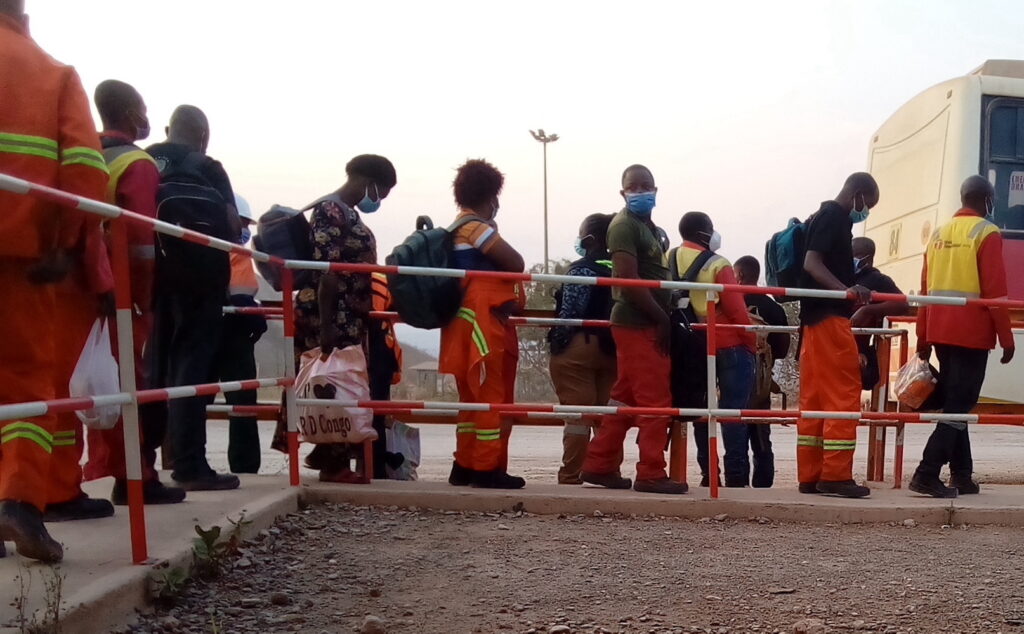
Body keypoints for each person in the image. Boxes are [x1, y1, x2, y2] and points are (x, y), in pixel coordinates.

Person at [0, 0, 109, 562]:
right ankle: (18, 503)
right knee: (26, 386)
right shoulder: (53, 74)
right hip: (25, 259)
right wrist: (66, 243)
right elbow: (87, 174)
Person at [83, 79, 186, 505]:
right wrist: (141, 297)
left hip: (81, 284)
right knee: (130, 384)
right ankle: (137, 478)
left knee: (90, 384)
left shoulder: (84, 152)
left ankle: (85, 475)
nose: (147, 118)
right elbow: (142, 239)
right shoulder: (136, 164)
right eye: (142, 109)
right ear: (128, 113)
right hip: (122, 292)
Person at [147, 105, 242, 491]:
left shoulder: (144, 159)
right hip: (200, 283)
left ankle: (140, 465)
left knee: (152, 370)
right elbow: (232, 227)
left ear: (169, 129)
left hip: (150, 278)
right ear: (204, 136)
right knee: (192, 370)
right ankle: (189, 464)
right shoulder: (209, 166)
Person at [580, 164, 686, 495]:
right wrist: (661, 317)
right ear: (623, 192)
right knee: (655, 400)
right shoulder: (624, 226)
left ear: (656, 190)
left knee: (624, 399)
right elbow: (627, 279)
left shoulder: (647, 227)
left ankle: (598, 465)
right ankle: (651, 472)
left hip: (640, 321)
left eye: (647, 186)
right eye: (634, 187)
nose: (641, 191)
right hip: (639, 323)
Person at [293, 154, 396, 482]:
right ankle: (333, 464)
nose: (379, 200)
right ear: (370, 183)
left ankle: (332, 459)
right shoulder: (330, 210)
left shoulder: (345, 212)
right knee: (335, 386)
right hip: (332, 317)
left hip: (350, 317)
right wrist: (326, 327)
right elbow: (328, 272)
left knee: (343, 386)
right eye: (383, 191)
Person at [911, 175, 1014, 498]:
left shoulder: (939, 234)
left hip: (941, 331)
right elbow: (994, 292)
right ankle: (927, 472)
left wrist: (923, 334)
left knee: (957, 402)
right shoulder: (986, 232)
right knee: (959, 403)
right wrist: (1006, 338)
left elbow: (926, 290)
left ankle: (962, 475)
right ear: (986, 200)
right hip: (972, 333)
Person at [440, 159, 526, 489]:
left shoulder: (454, 228)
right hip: (482, 321)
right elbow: (515, 262)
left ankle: (464, 464)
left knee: (470, 399)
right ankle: (487, 468)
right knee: (492, 397)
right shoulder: (476, 227)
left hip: (461, 321)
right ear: (491, 196)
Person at [797, 172, 879, 498]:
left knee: (815, 399)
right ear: (858, 194)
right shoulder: (835, 217)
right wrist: (846, 291)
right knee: (843, 395)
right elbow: (812, 263)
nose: (865, 212)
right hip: (830, 320)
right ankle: (835, 475)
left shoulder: (821, 215)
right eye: (867, 205)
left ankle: (811, 473)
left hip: (813, 322)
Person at [674, 212, 756, 488]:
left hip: (691, 343)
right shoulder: (718, 263)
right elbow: (736, 310)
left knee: (700, 411)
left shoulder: (668, 258)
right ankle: (736, 477)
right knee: (732, 412)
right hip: (728, 342)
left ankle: (709, 475)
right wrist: (750, 341)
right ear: (704, 234)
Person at [548, 213, 618, 485]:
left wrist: (558, 343)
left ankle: (571, 474)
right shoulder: (621, 268)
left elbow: (570, 312)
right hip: (611, 350)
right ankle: (607, 471)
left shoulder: (582, 269)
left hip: (579, 348)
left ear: (588, 239)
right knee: (608, 416)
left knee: (578, 416)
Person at [218, 194, 267, 474]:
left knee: (190, 398)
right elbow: (242, 294)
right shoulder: (237, 254)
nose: (245, 230)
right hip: (233, 333)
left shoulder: (203, 247)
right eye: (243, 222)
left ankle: (184, 462)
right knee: (242, 405)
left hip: (212, 329)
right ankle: (245, 467)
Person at [733, 255, 790, 488]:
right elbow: (784, 349)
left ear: (741, 276)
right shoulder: (773, 308)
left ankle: (736, 482)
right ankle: (763, 484)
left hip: (733, 374)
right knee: (760, 434)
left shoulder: (731, 305)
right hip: (761, 379)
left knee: (735, 429)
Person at [850, 237, 909, 390]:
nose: (850, 259)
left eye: (854, 254)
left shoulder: (878, 280)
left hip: (857, 348)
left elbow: (902, 304)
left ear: (866, 257)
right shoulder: (841, 277)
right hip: (834, 343)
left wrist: (868, 310)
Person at [368, 272, 405, 479]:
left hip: (353, 347)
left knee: (357, 411)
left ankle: (371, 465)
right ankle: (377, 468)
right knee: (376, 414)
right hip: (379, 352)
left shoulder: (339, 276)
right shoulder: (382, 280)